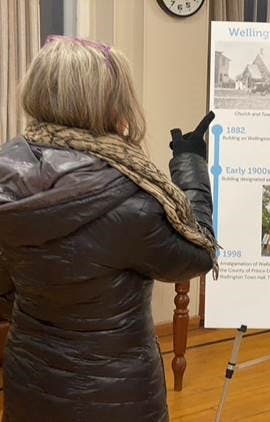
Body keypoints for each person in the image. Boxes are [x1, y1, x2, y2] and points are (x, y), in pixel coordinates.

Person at [0, 36, 217, 421]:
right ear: (110, 102)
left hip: (30, 385)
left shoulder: (7, 178)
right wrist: (190, 164)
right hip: (117, 396)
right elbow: (196, 256)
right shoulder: (130, 198)